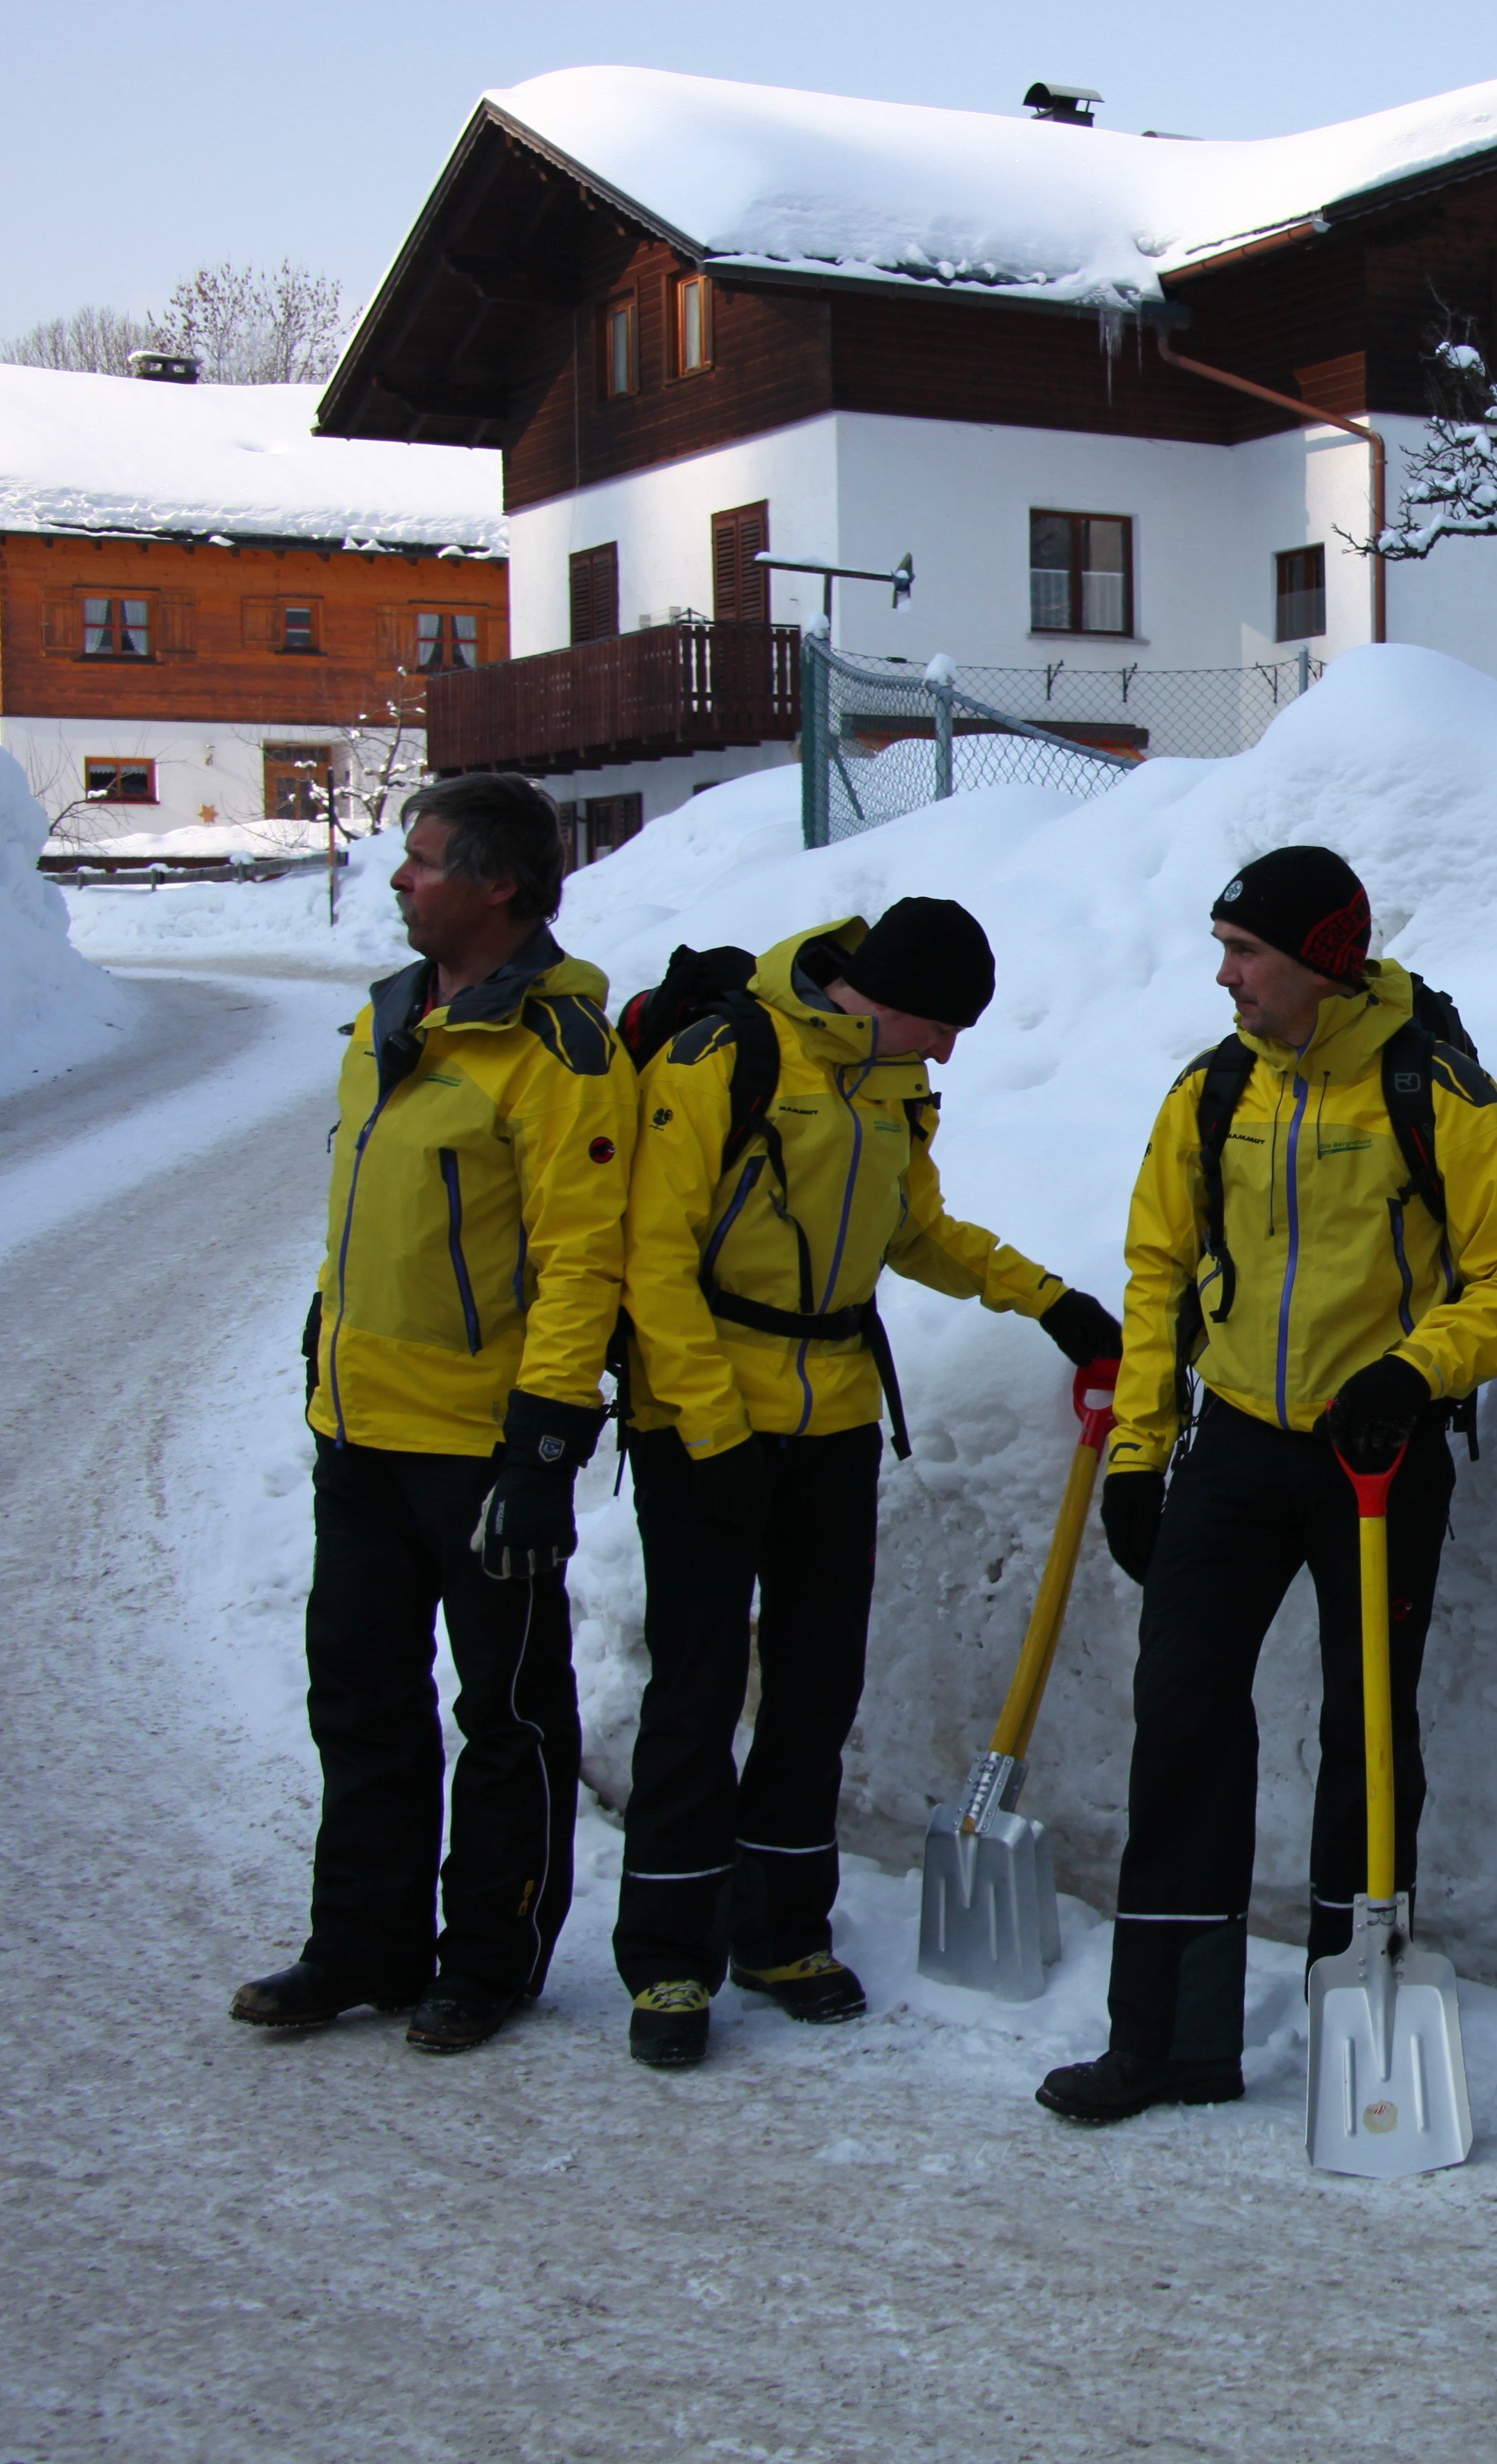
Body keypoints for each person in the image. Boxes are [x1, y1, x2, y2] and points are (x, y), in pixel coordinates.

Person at [1039, 847, 1497, 2125]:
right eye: (1224, 950)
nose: (1226, 977)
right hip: (1235, 1449)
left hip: (1375, 1455)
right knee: (1183, 1720)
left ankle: (1353, 2016)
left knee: (1370, 1733)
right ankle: (1169, 2038)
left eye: (1247, 953)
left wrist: (1414, 1372)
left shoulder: (1433, 1088)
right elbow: (1158, 1276)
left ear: (1323, 962)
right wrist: (1141, 1454)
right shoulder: (1213, 1091)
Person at [612, 899, 1123, 2070]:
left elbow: (913, 1230)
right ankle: (670, 1957)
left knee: (815, 1682)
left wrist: (1050, 1301)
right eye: (939, 1026)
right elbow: (654, 1257)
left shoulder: (893, 1087)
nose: (947, 1051)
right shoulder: (728, 1057)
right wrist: (711, 1430)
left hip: (833, 1417)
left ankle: (782, 1933)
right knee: (696, 1688)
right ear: (883, 997)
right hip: (701, 1421)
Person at [231, 773, 629, 2055]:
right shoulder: (390, 1016)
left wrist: (544, 1445)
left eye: (424, 860)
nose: (400, 879)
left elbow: (582, 1261)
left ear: (498, 884)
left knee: (505, 1714)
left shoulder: (560, 1053)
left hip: (477, 1448)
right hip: (360, 1431)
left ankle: (491, 1961)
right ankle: (364, 1944)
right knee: (360, 1699)